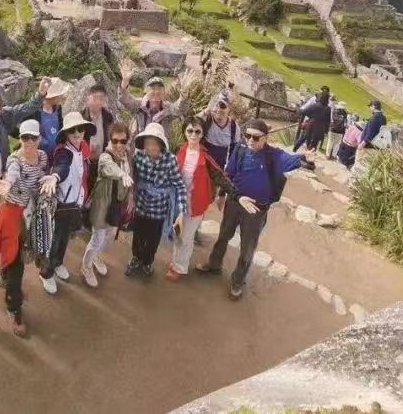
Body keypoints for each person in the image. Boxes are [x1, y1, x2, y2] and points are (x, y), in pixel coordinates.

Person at [196, 119, 312, 300]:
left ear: (265, 138)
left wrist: (304, 158)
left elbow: (290, 159)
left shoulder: (273, 155)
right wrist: (221, 195)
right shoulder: (240, 149)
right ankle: (214, 265)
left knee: (247, 247)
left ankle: (237, 281)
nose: (250, 140)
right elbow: (229, 173)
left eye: (256, 137)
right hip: (235, 202)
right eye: (247, 135)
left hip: (256, 210)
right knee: (224, 235)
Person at [0, 118, 50, 337]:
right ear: (20, 138)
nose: (29, 142)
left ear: (39, 138)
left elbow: (42, 175)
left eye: (33, 137)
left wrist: (48, 178)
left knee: (18, 254)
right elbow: (13, 172)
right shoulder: (15, 159)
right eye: (25, 137)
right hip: (13, 212)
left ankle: (5, 277)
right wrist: (8, 182)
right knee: (16, 261)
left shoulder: (42, 157)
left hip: (31, 213)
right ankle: (14, 308)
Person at [168, 117, 237, 281]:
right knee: (177, 233)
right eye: (190, 131)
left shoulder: (205, 157)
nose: (193, 134)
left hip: (195, 203)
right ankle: (175, 261)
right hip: (177, 201)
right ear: (185, 132)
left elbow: (219, 176)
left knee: (186, 237)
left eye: (197, 131)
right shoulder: (179, 149)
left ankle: (180, 267)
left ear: (202, 134)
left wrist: (235, 193)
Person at [40, 111, 94, 293]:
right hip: (61, 204)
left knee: (63, 239)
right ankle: (45, 272)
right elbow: (61, 166)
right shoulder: (65, 151)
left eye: (80, 129)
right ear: (66, 134)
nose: (77, 134)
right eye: (72, 131)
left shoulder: (80, 150)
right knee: (55, 240)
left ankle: (57, 263)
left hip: (72, 204)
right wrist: (54, 177)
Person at [128, 122, 186, 278]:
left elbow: (179, 186)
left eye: (155, 143)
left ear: (161, 144)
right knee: (138, 235)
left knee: (153, 238)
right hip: (141, 205)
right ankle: (136, 258)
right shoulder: (138, 156)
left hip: (159, 209)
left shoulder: (170, 160)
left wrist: (181, 212)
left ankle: (147, 262)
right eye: (148, 143)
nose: (151, 147)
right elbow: (132, 176)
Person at [81, 122, 134, 287]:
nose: (119, 144)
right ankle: (86, 266)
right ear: (110, 140)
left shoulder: (127, 156)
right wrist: (121, 174)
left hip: (117, 204)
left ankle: (96, 257)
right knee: (97, 238)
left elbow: (130, 177)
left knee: (109, 235)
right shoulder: (106, 156)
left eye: (123, 141)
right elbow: (110, 168)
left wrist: (131, 195)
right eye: (115, 140)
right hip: (102, 204)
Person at [119, 60, 192, 142]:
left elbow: (180, 109)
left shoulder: (168, 108)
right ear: (146, 91)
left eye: (159, 88)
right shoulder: (138, 105)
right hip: (140, 149)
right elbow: (125, 99)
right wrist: (125, 81)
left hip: (161, 150)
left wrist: (184, 94)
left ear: (164, 92)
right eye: (153, 88)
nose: (156, 92)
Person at [81, 83, 116, 205]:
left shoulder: (108, 117)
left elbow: (112, 137)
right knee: (85, 193)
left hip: (102, 161)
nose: (97, 102)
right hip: (85, 163)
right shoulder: (81, 117)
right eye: (94, 98)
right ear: (88, 98)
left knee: (100, 195)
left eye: (101, 98)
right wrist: (86, 148)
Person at [199, 88, 241, 169]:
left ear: (229, 109)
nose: (218, 109)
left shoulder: (234, 127)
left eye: (222, 106)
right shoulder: (207, 119)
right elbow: (190, 125)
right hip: (203, 164)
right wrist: (205, 112)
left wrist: (230, 169)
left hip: (220, 168)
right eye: (216, 105)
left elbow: (235, 152)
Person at [338, 100, 386, 168]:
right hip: (374, 144)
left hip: (367, 145)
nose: (370, 108)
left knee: (358, 163)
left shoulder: (375, 118)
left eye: (370, 106)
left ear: (374, 106)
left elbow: (370, 133)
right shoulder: (382, 117)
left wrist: (362, 144)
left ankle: (353, 177)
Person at [37, 77, 71, 161]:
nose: (60, 97)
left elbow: (61, 127)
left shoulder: (58, 109)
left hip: (57, 154)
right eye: (58, 95)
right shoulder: (35, 112)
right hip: (41, 156)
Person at [299, 88, 331, 152]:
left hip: (312, 125)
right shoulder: (328, 108)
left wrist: (310, 116)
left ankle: (303, 154)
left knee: (307, 141)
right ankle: (310, 156)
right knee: (314, 145)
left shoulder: (316, 105)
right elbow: (328, 121)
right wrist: (325, 131)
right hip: (320, 128)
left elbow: (304, 112)